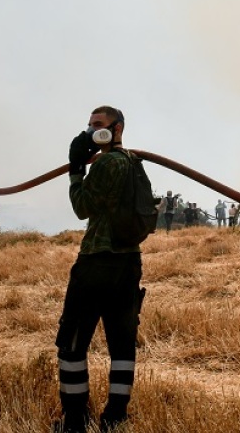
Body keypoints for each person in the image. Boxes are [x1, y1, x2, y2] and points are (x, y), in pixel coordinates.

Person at [57, 106, 146, 433]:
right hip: (128, 263)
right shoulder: (133, 161)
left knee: (72, 343)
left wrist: (76, 168)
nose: (92, 131)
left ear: (116, 129)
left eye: (99, 125)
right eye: (90, 125)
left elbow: (82, 208)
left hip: (97, 261)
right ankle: (115, 418)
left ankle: (75, 421)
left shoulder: (108, 162)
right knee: (122, 346)